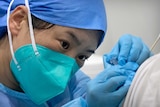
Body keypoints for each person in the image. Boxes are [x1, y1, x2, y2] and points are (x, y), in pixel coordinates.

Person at [0, 0, 151, 107]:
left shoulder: (69, 83)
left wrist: (129, 69)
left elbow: (92, 94)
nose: (64, 70)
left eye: (82, 56)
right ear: (19, 20)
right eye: (64, 44)